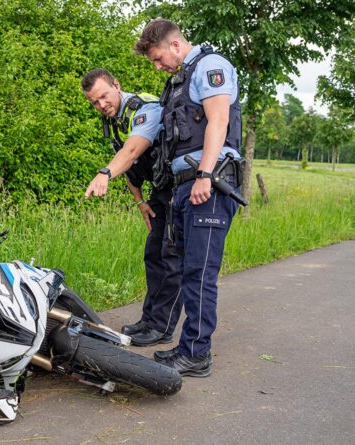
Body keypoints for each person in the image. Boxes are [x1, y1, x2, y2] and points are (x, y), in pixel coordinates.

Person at [134, 18, 243, 377]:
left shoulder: (211, 66)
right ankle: (186, 346)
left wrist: (205, 175)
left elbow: (218, 122)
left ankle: (197, 354)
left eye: (157, 58)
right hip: (185, 186)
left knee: (199, 273)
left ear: (175, 45)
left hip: (208, 185)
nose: (158, 65)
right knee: (184, 269)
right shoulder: (180, 79)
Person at [81, 68, 182, 347]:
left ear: (117, 85)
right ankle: (149, 320)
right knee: (153, 255)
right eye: (94, 102)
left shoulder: (144, 108)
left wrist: (104, 174)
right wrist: (140, 202)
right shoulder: (115, 119)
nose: (101, 105)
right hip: (160, 191)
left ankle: (162, 327)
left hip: (178, 189)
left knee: (171, 257)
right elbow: (129, 164)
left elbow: (133, 151)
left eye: (103, 96)